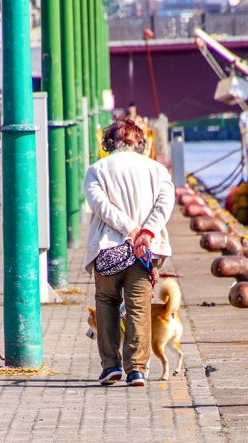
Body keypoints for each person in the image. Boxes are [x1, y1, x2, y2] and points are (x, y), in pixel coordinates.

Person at [84, 119, 174, 387]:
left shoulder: (96, 170)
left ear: (110, 142)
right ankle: (136, 370)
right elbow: (165, 204)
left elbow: (100, 206)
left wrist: (129, 229)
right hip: (145, 251)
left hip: (108, 248)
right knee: (139, 307)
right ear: (140, 142)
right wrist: (145, 232)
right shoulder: (157, 169)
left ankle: (111, 366)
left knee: (106, 303)